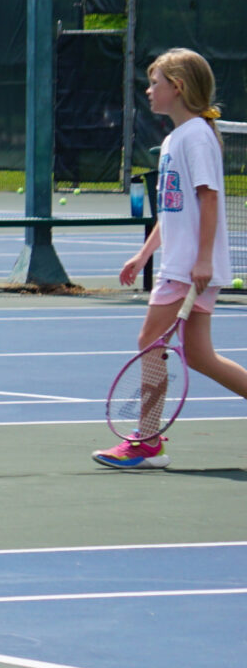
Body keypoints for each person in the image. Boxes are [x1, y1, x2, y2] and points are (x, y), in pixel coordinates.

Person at [96, 47, 247, 469]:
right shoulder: (173, 139)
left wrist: (202, 261)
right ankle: (147, 442)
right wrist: (145, 254)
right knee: (199, 357)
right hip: (184, 266)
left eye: (155, 83)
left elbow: (211, 200)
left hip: (189, 269)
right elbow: (174, 210)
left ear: (177, 88)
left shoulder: (196, 135)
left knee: (149, 343)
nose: (148, 90)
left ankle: (145, 443)